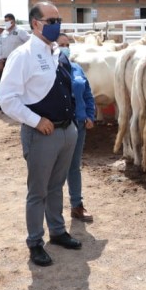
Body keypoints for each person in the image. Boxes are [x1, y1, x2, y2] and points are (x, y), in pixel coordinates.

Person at [0, 1, 80, 267]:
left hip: (66, 130)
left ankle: (57, 231)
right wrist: (35, 120)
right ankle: (35, 242)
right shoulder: (23, 55)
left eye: (58, 20)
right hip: (42, 134)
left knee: (56, 185)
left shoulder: (57, 52)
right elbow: (5, 97)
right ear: (35, 24)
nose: (56, 25)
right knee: (38, 191)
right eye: (51, 21)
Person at [56, 33, 95, 223]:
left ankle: (77, 205)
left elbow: (87, 93)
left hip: (78, 123)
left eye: (67, 44)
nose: (65, 48)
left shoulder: (77, 68)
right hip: (58, 126)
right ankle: (53, 211)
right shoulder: (49, 70)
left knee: (74, 166)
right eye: (61, 44)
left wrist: (89, 115)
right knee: (55, 168)